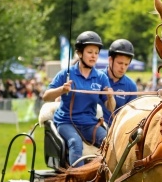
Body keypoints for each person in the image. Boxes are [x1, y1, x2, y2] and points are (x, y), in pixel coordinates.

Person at [43, 31, 115, 166]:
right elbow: (46, 96)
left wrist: (110, 97)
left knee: (109, 142)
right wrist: (61, 90)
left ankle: (105, 180)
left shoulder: (101, 77)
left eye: (96, 52)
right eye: (90, 52)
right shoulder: (66, 73)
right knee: (75, 143)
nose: (94, 56)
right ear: (80, 53)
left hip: (89, 123)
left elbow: (111, 107)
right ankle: (77, 181)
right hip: (66, 122)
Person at [99, 39, 138, 127]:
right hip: (94, 129)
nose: (123, 68)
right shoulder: (96, 77)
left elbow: (131, 116)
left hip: (117, 132)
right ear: (110, 60)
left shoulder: (131, 86)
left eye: (126, 64)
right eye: (120, 63)